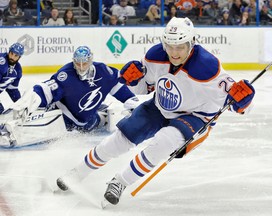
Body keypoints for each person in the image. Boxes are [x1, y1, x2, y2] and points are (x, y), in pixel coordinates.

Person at [56, 17, 255, 206]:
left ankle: (120, 182)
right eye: (169, 46)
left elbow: (237, 103)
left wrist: (243, 101)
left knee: (164, 141)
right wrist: (134, 81)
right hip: (160, 106)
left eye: (180, 47)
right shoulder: (155, 56)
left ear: (191, 43)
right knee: (120, 139)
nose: (174, 52)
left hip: (195, 116)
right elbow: (145, 88)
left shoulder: (208, 67)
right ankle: (78, 172)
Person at [2, 46, 139, 146]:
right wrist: (33, 98)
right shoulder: (65, 74)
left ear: (90, 61)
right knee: (51, 125)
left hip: (86, 120)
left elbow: (118, 86)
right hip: (63, 115)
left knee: (92, 123)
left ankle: (102, 113)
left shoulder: (104, 72)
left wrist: (133, 103)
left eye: (84, 63)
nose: (80, 67)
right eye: (77, 63)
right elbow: (46, 90)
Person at [0, 42, 24, 114]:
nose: (12, 57)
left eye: (16, 55)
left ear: (19, 57)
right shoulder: (1, 60)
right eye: (11, 53)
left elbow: (12, 90)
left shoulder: (17, 70)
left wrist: (21, 104)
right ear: (9, 52)